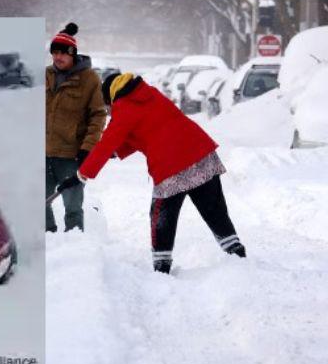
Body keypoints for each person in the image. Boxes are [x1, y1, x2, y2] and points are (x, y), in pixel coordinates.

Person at [62, 71, 247, 273]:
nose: (108, 110)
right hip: (202, 155)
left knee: (161, 216)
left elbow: (106, 143)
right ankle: (237, 256)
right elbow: (145, 131)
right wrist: (117, 152)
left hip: (172, 167)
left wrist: (82, 174)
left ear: (111, 97)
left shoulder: (124, 107)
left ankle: (162, 267)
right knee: (214, 210)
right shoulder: (148, 93)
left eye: (107, 105)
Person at [45, 22, 106, 232]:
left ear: (73, 54)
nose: (58, 57)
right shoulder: (44, 76)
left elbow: (98, 116)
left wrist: (88, 148)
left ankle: (75, 248)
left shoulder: (89, 79)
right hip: (42, 153)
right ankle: (49, 239)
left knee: (72, 206)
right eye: (54, 52)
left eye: (63, 53)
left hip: (71, 155)